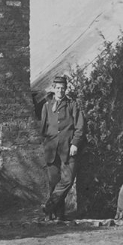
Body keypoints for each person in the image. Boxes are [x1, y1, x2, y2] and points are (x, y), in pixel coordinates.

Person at [40, 74, 86, 220]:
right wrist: (47, 145)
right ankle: (58, 215)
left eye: (63, 88)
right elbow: (43, 129)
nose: (60, 91)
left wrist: (75, 143)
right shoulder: (47, 106)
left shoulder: (72, 105)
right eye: (58, 88)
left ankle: (49, 206)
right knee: (53, 182)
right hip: (51, 150)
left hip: (68, 149)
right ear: (54, 89)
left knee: (67, 180)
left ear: (66, 89)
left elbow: (80, 127)